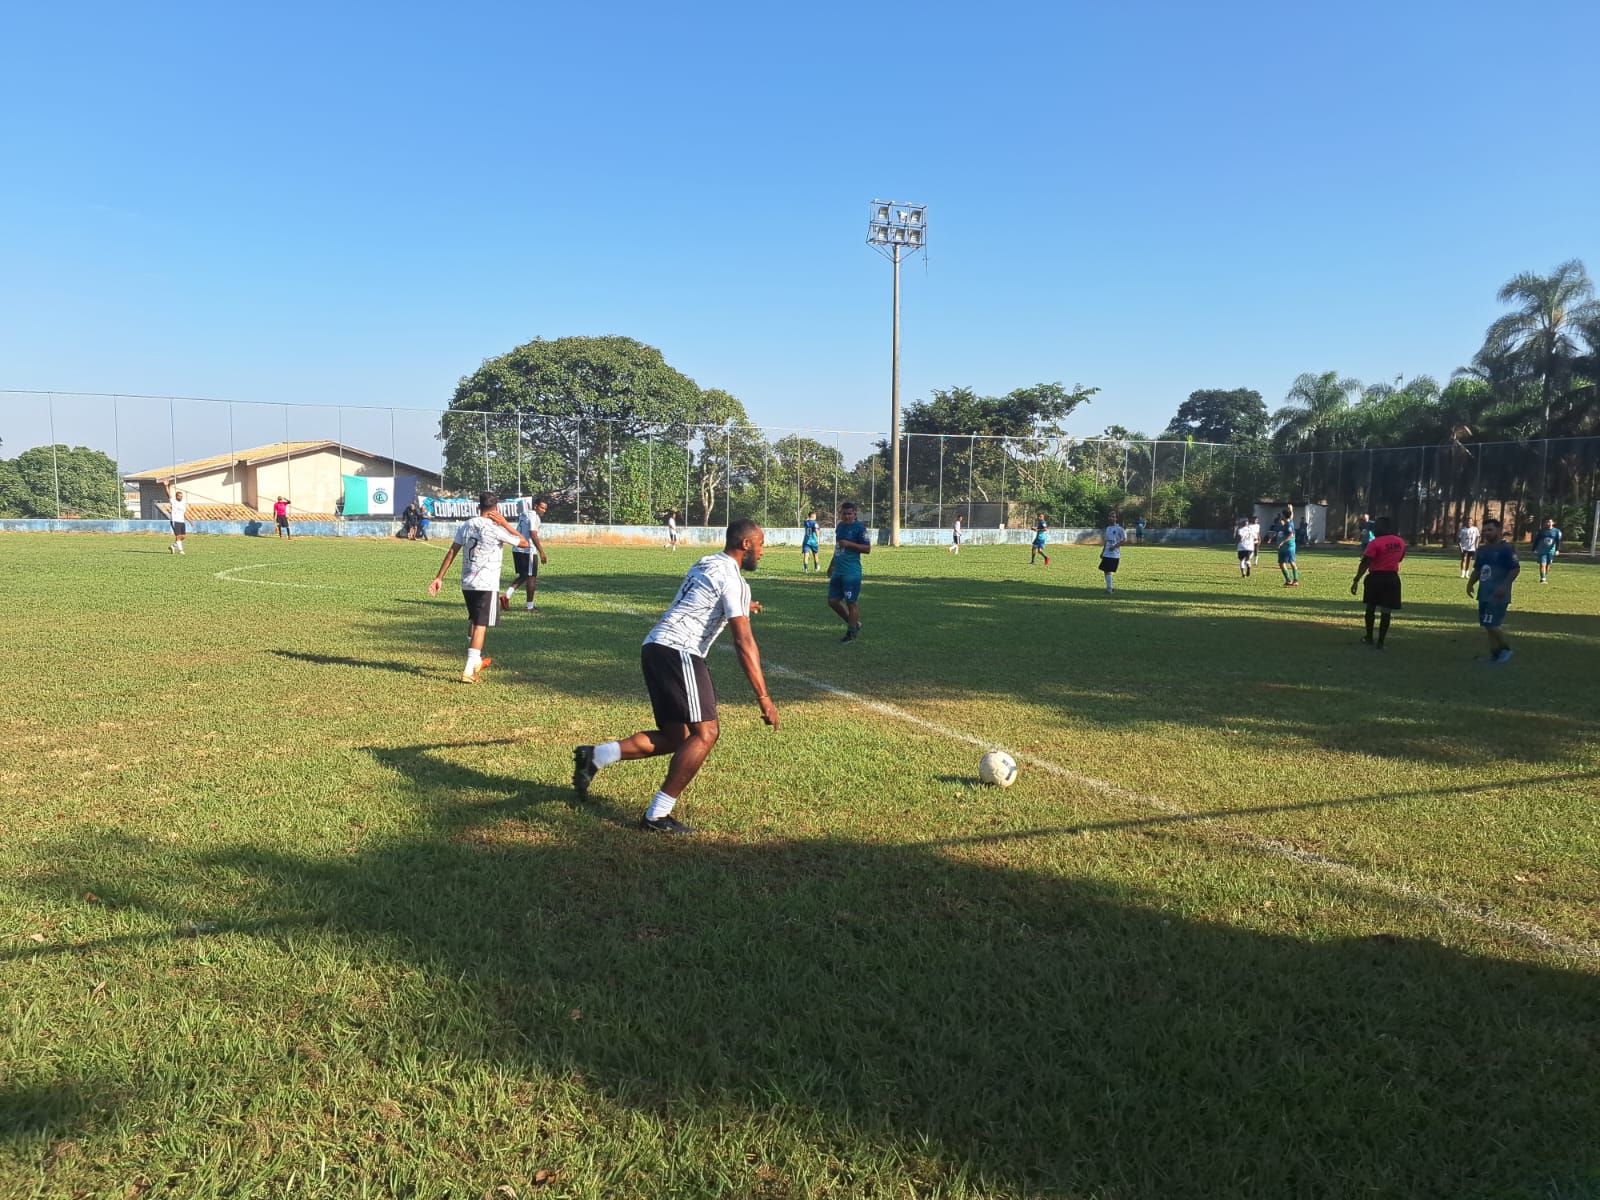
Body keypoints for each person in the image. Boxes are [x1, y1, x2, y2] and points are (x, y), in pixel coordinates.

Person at [571, 519, 778, 834]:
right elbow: (744, 642)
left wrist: (743, 603)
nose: (763, 552)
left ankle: (596, 756)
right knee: (706, 733)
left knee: (676, 737)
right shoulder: (734, 580)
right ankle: (657, 816)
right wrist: (764, 698)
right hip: (680, 650)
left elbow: (701, 596)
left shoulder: (707, 562)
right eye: (761, 545)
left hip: (654, 646)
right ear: (746, 544)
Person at [426, 491, 528, 683]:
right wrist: (505, 524)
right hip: (486, 583)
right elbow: (523, 542)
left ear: (477, 507)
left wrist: (439, 577)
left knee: (474, 620)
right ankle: (469, 670)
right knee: (481, 626)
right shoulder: (496, 528)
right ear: (496, 509)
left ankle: (476, 660)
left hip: (467, 583)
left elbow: (452, 551)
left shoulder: (467, 525)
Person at [1468, 516, 1519, 665]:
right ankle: (1495, 655)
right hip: (1484, 593)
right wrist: (1470, 583)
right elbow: (1478, 570)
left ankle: (1506, 650)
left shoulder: (1507, 549)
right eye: (1484, 530)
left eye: (1490, 530)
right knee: (1487, 625)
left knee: (1492, 625)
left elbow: (1515, 569)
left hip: (1498, 595)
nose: (1486, 533)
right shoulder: (1483, 550)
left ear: (1499, 530)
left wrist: (1504, 586)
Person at [1351, 516, 1405, 649]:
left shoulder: (1375, 543)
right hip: (1392, 579)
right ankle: (1381, 641)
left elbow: (1366, 562)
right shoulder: (1400, 542)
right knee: (1386, 611)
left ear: (1384, 528)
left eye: (1376, 527)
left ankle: (1369, 637)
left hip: (1375, 578)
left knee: (1371, 607)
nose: (1374, 530)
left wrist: (1356, 579)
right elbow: (1400, 559)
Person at [827, 501, 871, 642]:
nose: (846, 516)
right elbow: (838, 548)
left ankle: (851, 634)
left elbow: (867, 549)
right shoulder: (840, 527)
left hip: (851, 573)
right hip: (838, 571)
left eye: (849, 513)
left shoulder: (859, 529)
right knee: (832, 601)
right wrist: (831, 565)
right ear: (841, 514)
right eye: (844, 513)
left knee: (851, 603)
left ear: (854, 514)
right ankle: (854, 624)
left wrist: (850, 544)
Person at [501, 496, 549, 613]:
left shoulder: (525, 514)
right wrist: (541, 551)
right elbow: (533, 533)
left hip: (517, 548)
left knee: (523, 576)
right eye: (542, 508)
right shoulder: (534, 516)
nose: (544, 510)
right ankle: (529, 606)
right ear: (535, 506)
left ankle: (506, 596)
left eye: (545, 509)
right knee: (531, 577)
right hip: (528, 550)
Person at [1100, 512, 1127, 594]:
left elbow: (1124, 540)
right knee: (1105, 570)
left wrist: (1115, 546)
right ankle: (1109, 588)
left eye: (1113, 517)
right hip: (1107, 553)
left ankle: (1109, 589)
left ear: (1116, 519)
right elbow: (1106, 541)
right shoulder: (1108, 528)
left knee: (1107, 570)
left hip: (1114, 554)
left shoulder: (1120, 529)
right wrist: (1103, 552)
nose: (1111, 518)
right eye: (1110, 516)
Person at [1272, 505, 1300, 586]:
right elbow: (1291, 516)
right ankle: (1288, 580)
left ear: (1283, 515)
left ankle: (1295, 580)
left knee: (1292, 563)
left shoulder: (1288, 526)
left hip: (1289, 547)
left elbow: (1291, 535)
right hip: (1283, 547)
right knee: (1281, 563)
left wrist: (1282, 542)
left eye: (1282, 515)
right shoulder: (1290, 521)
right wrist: (1291, 509)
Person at [1531, 517, 1562, 583]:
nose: (1548, 523)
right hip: (1542, 550)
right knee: (1542, 564)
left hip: (1551, 551)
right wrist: (1534, 549)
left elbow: (1558, 541)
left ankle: (1544, 576)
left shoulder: (1556, 531)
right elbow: (1536, 540)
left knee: (1548, 565)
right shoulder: (1541, 531)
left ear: (1553, 523)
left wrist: (1557, 550)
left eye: (1549, 522)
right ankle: (1543, 579)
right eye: (1547, 522)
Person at [164, 479, 189, 554]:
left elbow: (183, 512)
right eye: (179, 496)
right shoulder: (173, 501)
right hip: (175, 520)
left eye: (181, 496)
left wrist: (189, 520)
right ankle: (181, 550)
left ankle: (173, 546)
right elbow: (168, 494)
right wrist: (166, 486)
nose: (180, 497)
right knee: (178, 536)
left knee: (183, 536)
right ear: (176, 496)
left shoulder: (183, 503)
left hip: (182, 521)